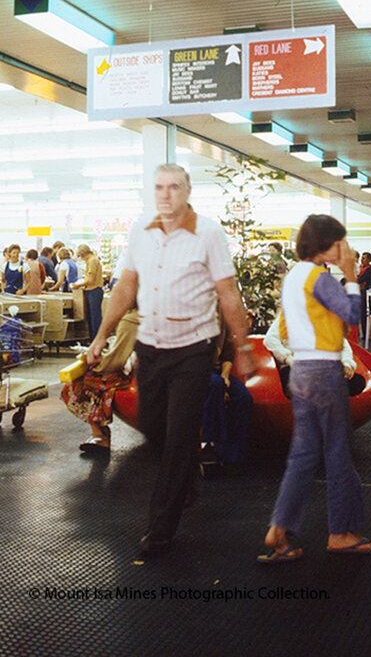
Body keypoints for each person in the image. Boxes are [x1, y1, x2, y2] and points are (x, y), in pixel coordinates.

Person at [86, 164, 249, 556]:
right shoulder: (140, 230)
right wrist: (101, 335)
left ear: (187, 191)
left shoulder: (209, 234)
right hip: (151, 346)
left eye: (174, 187)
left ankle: (160, 528)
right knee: (154, 425)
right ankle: (186, 473)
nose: (165, 194)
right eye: (159, 187)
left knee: (178, 435)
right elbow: (127, 284)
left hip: (194, 347)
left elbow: (227, 291)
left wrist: (241, 346)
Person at [258, 215, 371, 563]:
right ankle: (341, 533)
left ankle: (280, 529)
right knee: (338, 454)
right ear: (326, 245)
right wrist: (352, 275)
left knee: (303, 456)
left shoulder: (293, 277)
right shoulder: (319, 278)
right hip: (325, 372)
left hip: (301, 372)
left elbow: (285, 328)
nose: (344, 249)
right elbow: (353, 314)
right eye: (339, 242)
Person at [61, 307, 139, 454]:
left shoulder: (132, 319)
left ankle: (100, 434)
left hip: (140, 376)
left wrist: (95, 362)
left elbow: (116, 360)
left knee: (86, 380)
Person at [200, 325, 253, 471]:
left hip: (216, 371)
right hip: (193, 370)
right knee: (215, 385)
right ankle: (207, 446)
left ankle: (232, 455)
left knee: (243, 397)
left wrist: (225, 375)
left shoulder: (222, 317)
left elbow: (228, 354)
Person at [71, 244, 104, 341]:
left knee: (95, 318)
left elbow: (91, 280)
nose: (82, 259)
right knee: (92, 317)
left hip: (94, 291)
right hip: (92, 291)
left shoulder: (92, 261)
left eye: (81, 256)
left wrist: (78, 285)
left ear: (83, 254)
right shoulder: (92, 260)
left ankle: (96, 339)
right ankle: (93, 338)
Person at [357, 251, 371, 342]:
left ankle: (366, 334)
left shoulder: (369, 269)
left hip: (365, 292)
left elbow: (361, 279)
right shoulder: (359, 268)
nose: (362, 260)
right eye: (362, 258)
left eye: (364, 258)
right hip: (360, 292)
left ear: (368, 260)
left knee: (364, 313)